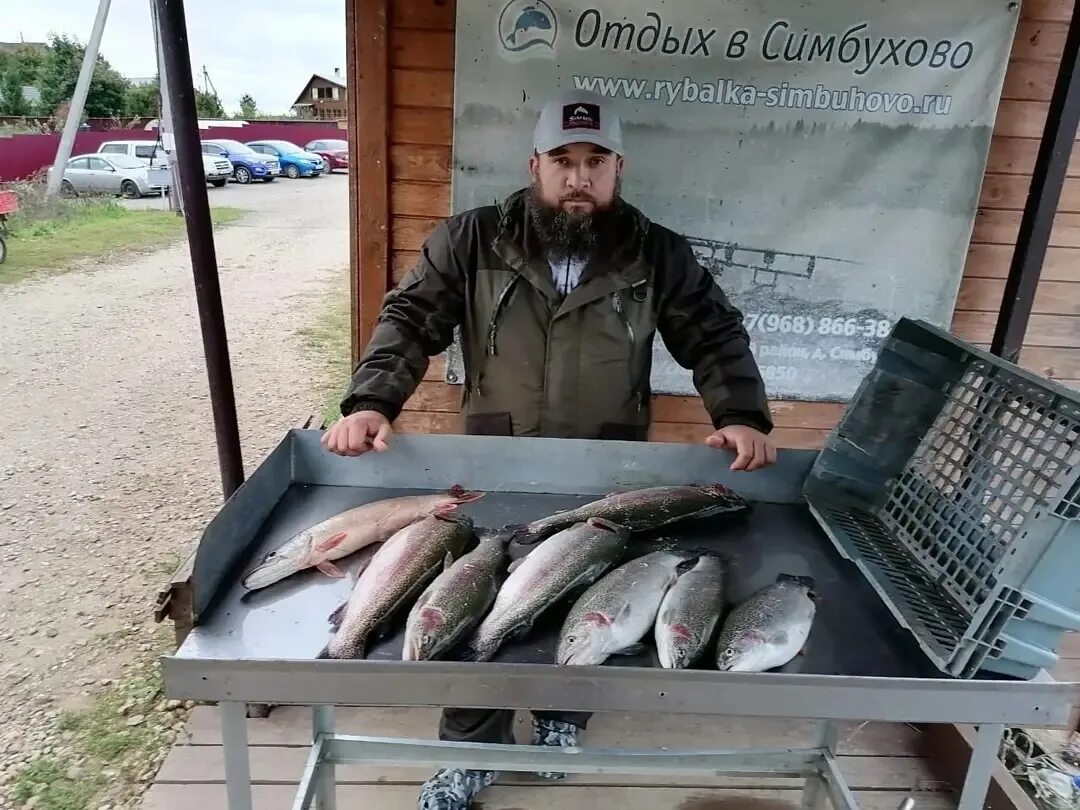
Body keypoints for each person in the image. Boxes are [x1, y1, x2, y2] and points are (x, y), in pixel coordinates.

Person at [322, 89, 778, 810]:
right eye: (563, 161)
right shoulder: (471, 240)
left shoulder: (656, 251)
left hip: (607, 467)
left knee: (589, 598)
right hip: (496, 464)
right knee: (480, 603)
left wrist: (743, 414)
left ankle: (564, 719)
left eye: (595, 161)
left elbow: (713, 332)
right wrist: (372, 401)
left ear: (618, 168)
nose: (578, 178)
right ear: (535, 165)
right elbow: (410, 318)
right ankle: (471, 749)